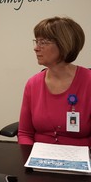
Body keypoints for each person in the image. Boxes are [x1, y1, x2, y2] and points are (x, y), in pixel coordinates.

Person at [18, 16, 91, 146]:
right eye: (36, 41)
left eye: (43, 42)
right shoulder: (32, 84)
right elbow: (25, 133)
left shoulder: (88, 81)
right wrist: (30, 159)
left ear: (63, 44)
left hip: (81, 160)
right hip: (40, 160)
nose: (36, 48)